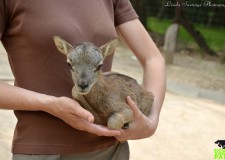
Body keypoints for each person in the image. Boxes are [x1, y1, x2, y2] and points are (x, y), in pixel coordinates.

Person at [0, 0, 166, 159]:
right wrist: (49, 104)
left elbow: (153, 59)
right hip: (42, 151)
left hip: (110, 149)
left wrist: (151, 121)